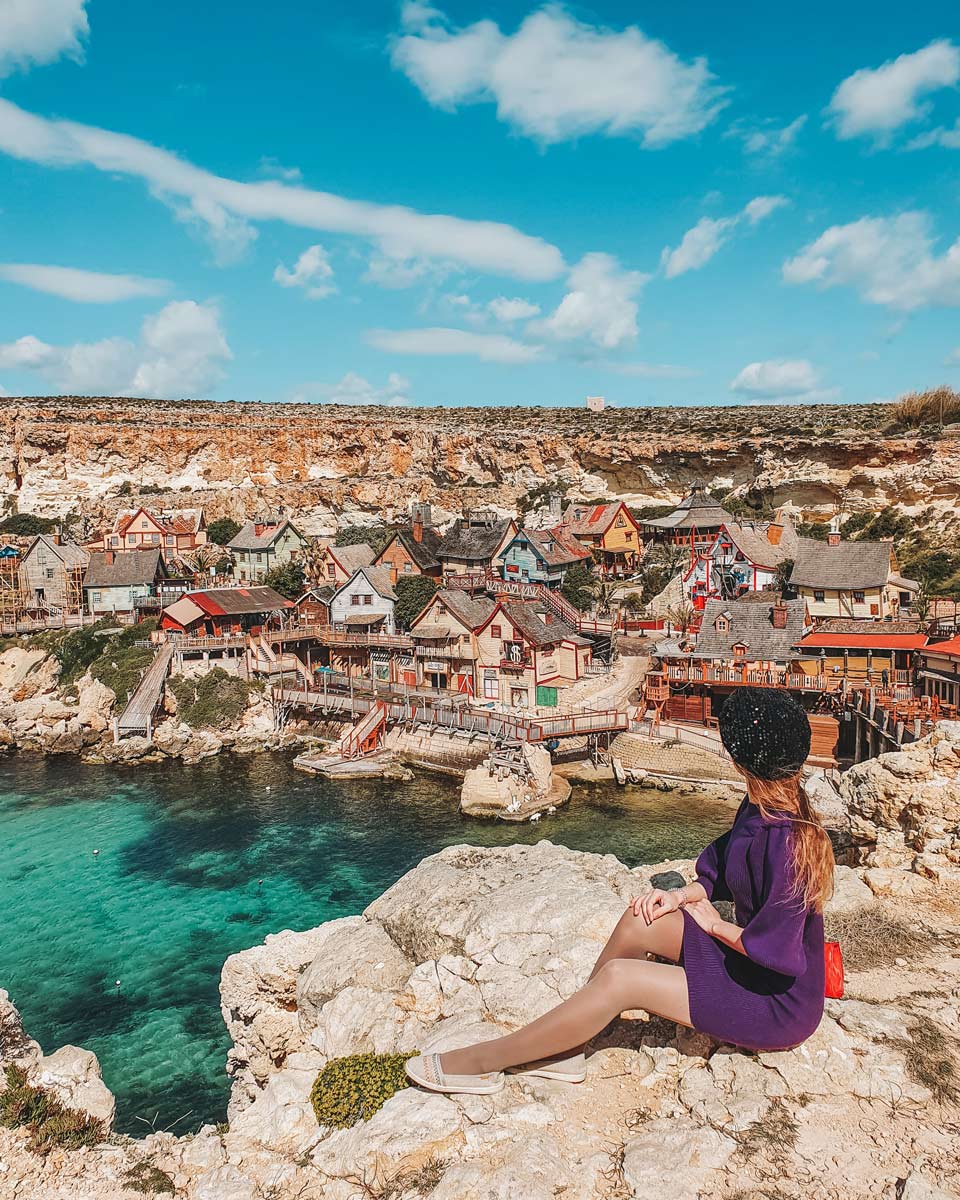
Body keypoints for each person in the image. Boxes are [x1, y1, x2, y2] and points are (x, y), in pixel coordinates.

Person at [406, 687, 835, 1096]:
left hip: (776, 1003)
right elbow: (725, 865)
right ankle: (567, 1045)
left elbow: (781, 954)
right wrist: (684, 896)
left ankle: (483, 1064)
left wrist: (718, 927)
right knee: (640, 917)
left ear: (744, 761)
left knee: (621, 979)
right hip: (750, 968)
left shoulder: (789, 844)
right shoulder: (762, 805)